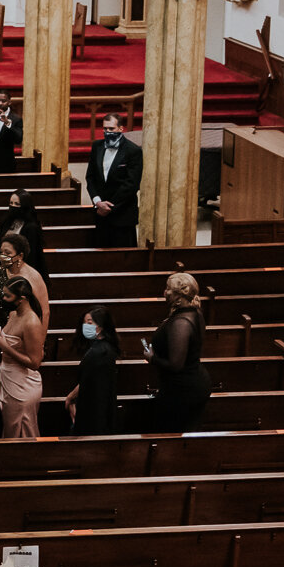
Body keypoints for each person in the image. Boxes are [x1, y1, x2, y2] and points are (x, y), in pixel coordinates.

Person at [145, 273, 214, 431]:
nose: (165, 292)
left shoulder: (181, 323)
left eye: (168, 289)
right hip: (190, 383)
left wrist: (152, 358)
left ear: (179, 295)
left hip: (183, 391)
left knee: (171, 435)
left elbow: (176, 365)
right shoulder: (193, 312)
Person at [0, 275, 46, 438]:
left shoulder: (31, 322)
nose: (3, 298)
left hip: (23, 385)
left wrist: (4, 346)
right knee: (10, 430)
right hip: (8, 378)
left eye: (7, 296)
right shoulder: (13, 314)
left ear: (22, 299)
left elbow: (35, 363)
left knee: (21, 433)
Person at [85, 112, 142, 247]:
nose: (108, 132)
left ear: (121, 129)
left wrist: (109, 206)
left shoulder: (132, 151)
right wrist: (97, 202)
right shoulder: (97, 147)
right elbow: (90, 177)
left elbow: (132, 184)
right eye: (105, 129)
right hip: (100, 214)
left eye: (112, 129)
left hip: (123, 215)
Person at [65, 305, 120, 435]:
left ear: (101, 326)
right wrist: (71, 396)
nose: (86, 326)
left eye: (89, 323)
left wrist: (71, 397)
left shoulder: (100, 352)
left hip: (95, 411)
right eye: (84, 323)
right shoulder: (102, 348)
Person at [0, 188, 46, 270]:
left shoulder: (31, 227)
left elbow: (32, 256)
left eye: (17, 204)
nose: (13, 206)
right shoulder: (6, 222)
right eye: (11, 203)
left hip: (21, 269)